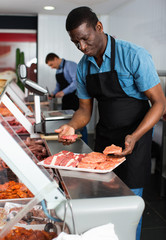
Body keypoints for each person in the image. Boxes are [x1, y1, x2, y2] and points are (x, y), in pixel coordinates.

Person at [55, 6, 166, 239]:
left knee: (129, 206)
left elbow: (159, 103)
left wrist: (134, 136)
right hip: (105, 139)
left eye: (85, 39)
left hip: (135, 139)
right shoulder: (84, 66)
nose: (82, 47)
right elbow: (84, 110)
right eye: (76, 43)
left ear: (99, 27)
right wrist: (72, 125)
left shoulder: (134, 55)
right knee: (104, 201)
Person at [45, 53, 88, 143]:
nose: (51, 67)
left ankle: (83, 143)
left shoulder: (70, 65)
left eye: (51, 65)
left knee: (80, 122)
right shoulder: (58, 70)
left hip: (76, 98)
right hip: (67, 100)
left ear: (56, 59)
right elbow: (59, 85)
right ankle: (70, 142)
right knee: (68, 122)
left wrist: (63, 92)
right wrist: (53, 93)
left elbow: (75, 82)